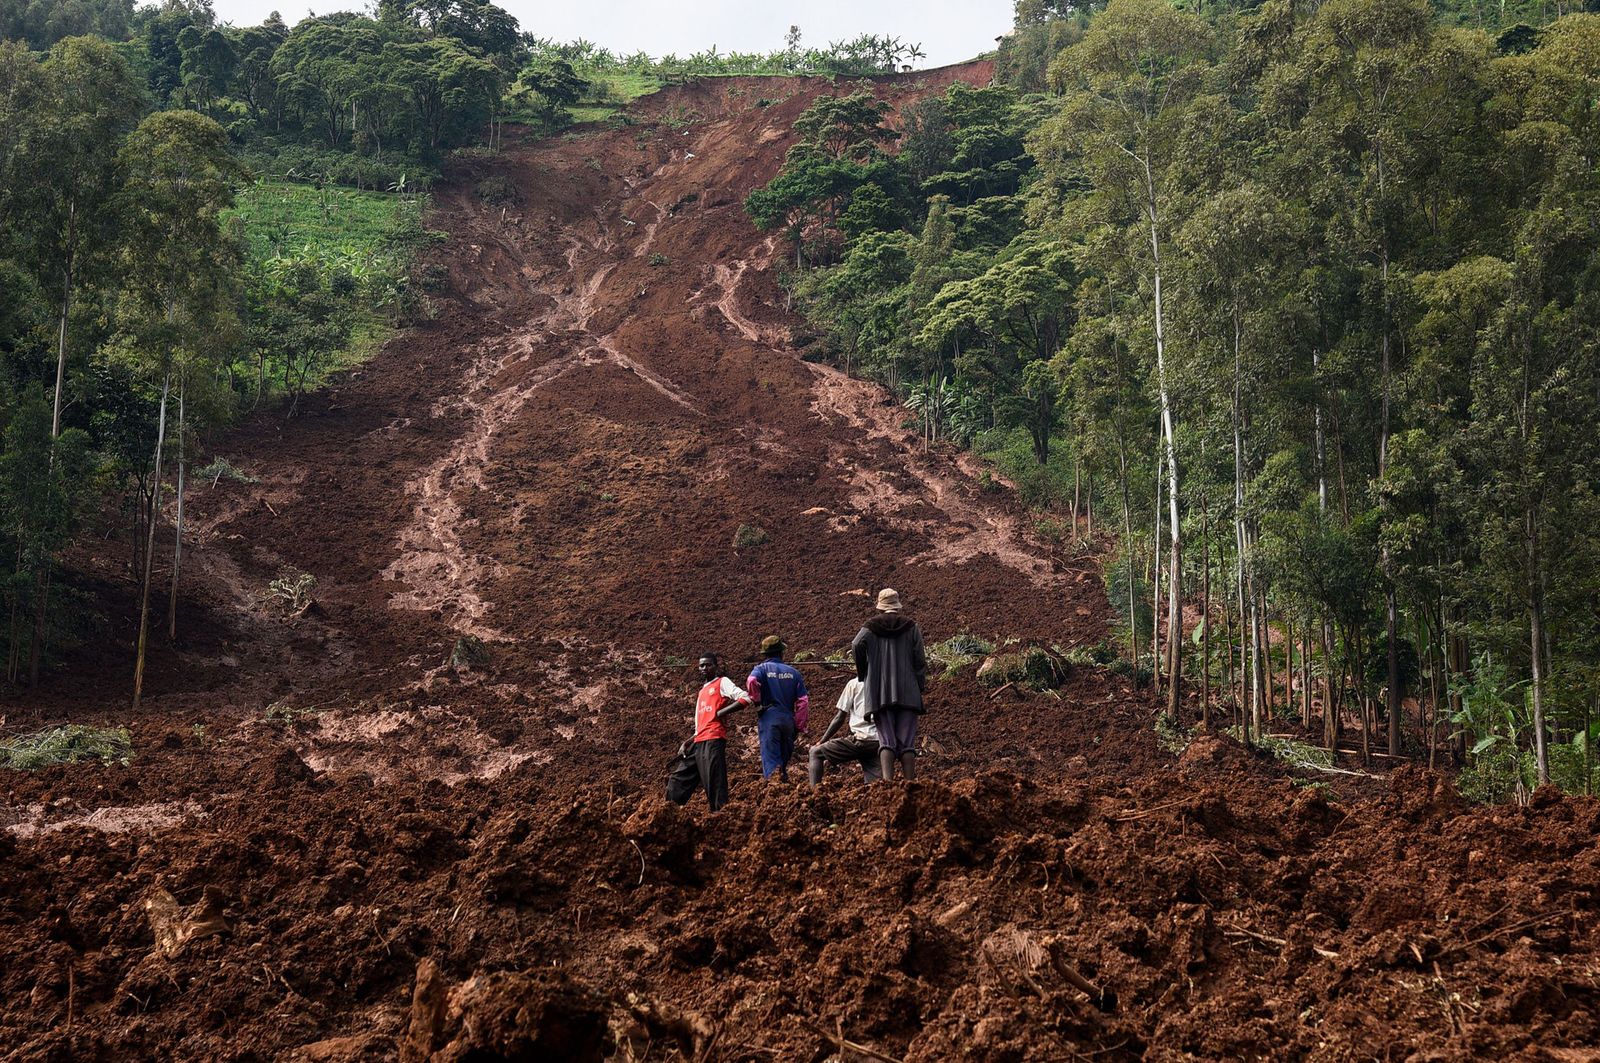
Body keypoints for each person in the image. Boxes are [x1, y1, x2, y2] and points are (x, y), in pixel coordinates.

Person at [851, 588, 926, 781]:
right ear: (897, 605)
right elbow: (920, 660)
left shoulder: (870, 627)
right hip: (909, 693)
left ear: (880, 606)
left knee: (886, 740)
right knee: (907, 742)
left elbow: (856, 645)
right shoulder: (912, 627)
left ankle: (888, 783)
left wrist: (864, 673)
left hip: (880, 693)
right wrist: (919, 686)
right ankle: (910, 783)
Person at [666, 653, 752, 811]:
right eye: (701, 665)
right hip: (698, 741)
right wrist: (687, 742)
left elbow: (745, 698)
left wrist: (721, 712)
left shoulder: (722, 682)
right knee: (677, 780)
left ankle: (720, 816)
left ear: (716, 666)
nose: (704, 668)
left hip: (713, 739)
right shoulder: (701, 692)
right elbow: (699, 726)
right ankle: (668, 812)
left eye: (708, 665)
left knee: (715, 782)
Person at [746, 635, 809, 782]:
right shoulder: (794, 673)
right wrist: (798, 726)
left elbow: (751, 681)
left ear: (764, 654)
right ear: (781, 653)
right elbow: (803, 702)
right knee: (783, 761)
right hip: (788, 720)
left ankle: (775, 793)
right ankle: (783, 792)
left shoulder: (760, 669)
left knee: (772, 761)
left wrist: (757, 704)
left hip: (769, 718)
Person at [807, 675, 882, 786]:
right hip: (879, 741)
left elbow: (839, 718)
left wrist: (822, 740)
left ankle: (814, 792)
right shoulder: (886, 684)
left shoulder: (854, 684)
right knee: (875, 785)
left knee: (815, 752)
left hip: (860, 739)